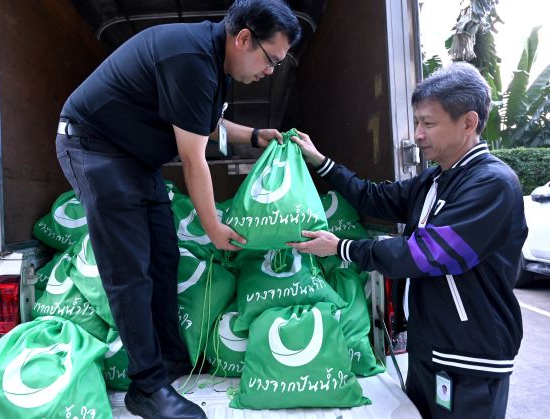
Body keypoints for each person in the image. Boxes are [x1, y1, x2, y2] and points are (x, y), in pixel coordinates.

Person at [54, 1, 301, 418]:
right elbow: (193, 158)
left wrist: (256, 135)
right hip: (94, 147)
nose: (271, 71)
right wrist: (213, 227)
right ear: (244, 38)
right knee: (130, 268)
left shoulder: (213, 63)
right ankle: (147, 387)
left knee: (164, 256)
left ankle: (169, 361)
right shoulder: (190, 57)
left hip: (136, 159)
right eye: (271, 59)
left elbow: (203, 123)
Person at [288, 62, 526, 419]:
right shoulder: (434, 181)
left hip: (469, 359)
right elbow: (372, 197)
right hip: (430, 348)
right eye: (417, 122)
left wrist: (341, 247)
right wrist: (321, 162)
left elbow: (425, 254)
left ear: (468, 122)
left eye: (428, 123)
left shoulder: (491, 184)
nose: (417, 134)